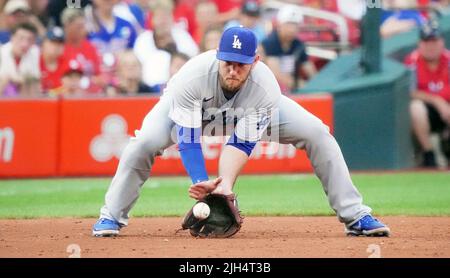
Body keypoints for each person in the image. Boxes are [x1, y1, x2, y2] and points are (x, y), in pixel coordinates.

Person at [92, 26, 390, 238]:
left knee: (317, 133)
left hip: (248, 112)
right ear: (217, 55)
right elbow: (188, 137)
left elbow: (240, 144)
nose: (233, 69)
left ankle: (355, 215)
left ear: (255, 61)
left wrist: (223, 187)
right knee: (142, 143)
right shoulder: (192, 76)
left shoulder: (265, 86)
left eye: (241, 64)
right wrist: (200, 182)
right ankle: (110, 217)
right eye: (228, 63)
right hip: (191, 116)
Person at [404, 22, 450, 167]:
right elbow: (410, 92)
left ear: (442, 42)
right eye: (426, 41)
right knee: (415, 108)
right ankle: (429, 154)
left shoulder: (448, 60)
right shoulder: (413, 61)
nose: (430, 46)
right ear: (419, 44)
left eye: (434, 41)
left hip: (447, 108)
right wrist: (436, 100)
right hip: (426, 112)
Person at [261, 4, 317, 93]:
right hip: (270, 89)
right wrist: (303, 86)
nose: (292, 29)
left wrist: (317, 85)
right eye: (288, 24)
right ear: (280, 24)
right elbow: (276, 74)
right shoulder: (270, 42)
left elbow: (310, 70)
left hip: (290, 88)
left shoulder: (298, 44)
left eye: (295, 25)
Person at [0, 22, 40, 97]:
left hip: (24, 98)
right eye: (21, 38)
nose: (25, 44)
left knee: (30, 84)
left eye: (30, 39)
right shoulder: (1, 52)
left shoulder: (35, 52)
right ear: (12, 37)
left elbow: (35, 82)